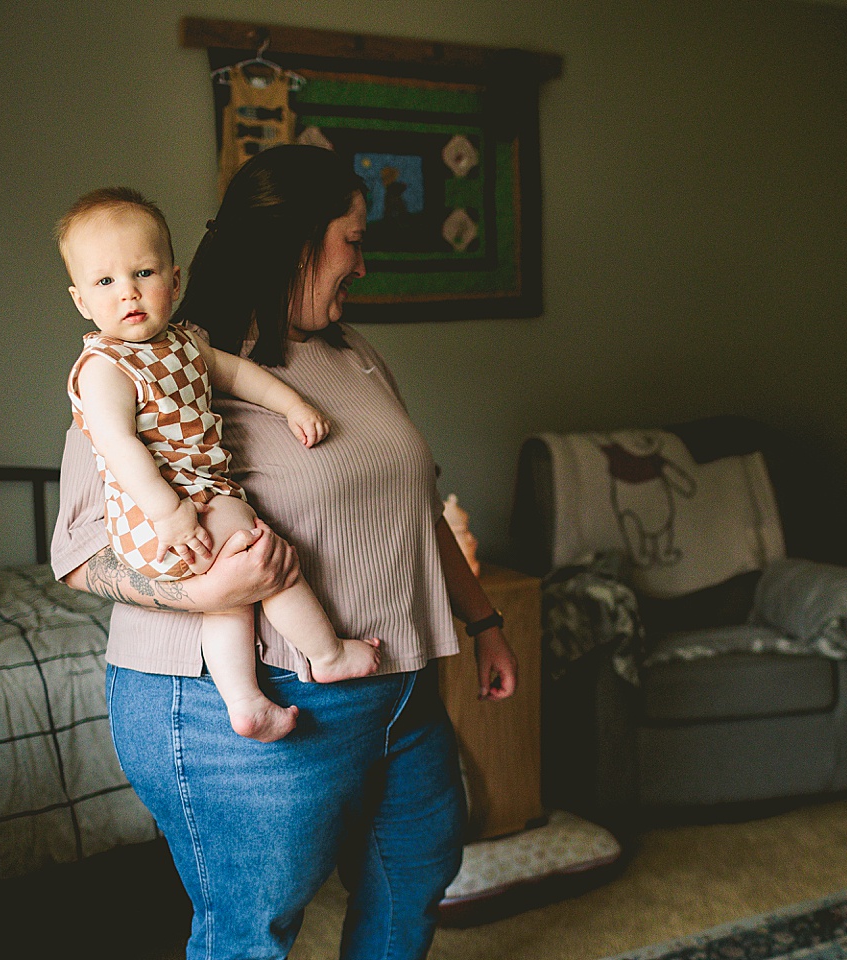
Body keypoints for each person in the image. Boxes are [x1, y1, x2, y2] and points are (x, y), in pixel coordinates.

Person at [51, 145, 518, 960]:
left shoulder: (352, 354)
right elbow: (82, 553)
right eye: (352, 239)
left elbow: (414, 504)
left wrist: (484, 621)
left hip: (396, 682)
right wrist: (203, 595)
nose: (362, 265)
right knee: (253, 932)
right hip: (235, 703)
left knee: (417, 868)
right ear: (298, 241)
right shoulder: (156, 369)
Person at [57, 187, 382, 744]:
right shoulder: (104, 367)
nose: (128, 293)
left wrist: (292, 404)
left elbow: (237, 376)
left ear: (175, 281)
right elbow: (115, 445)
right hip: (161, 514)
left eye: (144, 272)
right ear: (81, 300)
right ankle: (326, 653)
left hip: (198, 497)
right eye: (105, 282)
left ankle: (246, 702)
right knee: (264, 554)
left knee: (232, 602)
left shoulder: (184, 344)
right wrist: (169, 513)